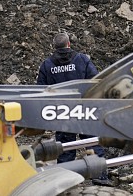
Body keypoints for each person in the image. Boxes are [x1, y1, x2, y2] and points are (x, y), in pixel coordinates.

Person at [37, 32, 110, 184]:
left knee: (65, 149)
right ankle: (100, 177)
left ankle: (66, 183)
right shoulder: (82, 60)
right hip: (84, 110)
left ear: (54, 47)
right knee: (92, 142)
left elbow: (41, 91)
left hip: (62, 112)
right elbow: (95, 82)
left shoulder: (47, 65)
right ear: (69, 44)